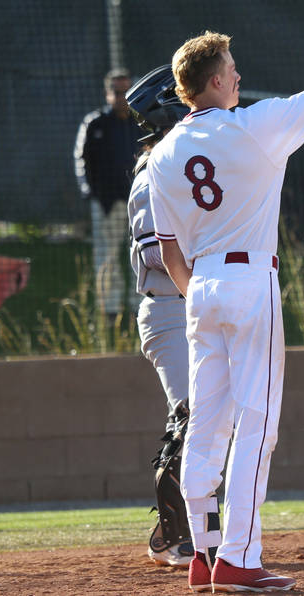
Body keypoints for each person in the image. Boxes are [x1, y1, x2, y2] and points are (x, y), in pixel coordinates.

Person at [147, 0, 304, 593]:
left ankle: (201, 554)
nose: (238, 78)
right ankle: (239, 560)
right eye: (232, 70)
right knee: (258, 424)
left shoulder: (162, 154)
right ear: (214, 81)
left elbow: (167, 248)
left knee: (208, 425)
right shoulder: (250, 126)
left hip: (201, 286)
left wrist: (197, 294)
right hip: (247, 279)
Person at [125, 65, 195, 568]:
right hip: (170, 308)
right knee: (190, 414)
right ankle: (174, 536)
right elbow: (157, 255)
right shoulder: (153, 173)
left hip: (195, 304)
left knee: (218, 417)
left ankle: (176, 529)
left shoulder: (186, 163)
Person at [74, 68, 143, 317]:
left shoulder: (142, 122)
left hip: (139, 203)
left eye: (126, 91)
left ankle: (140, 308)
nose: (122, 97)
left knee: (142, 254)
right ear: (107, 94)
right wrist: (90, 192)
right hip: (107, 203)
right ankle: (110, 312)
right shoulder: (95, 124)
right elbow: (82, 159)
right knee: (107, 257)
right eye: (117, 92)